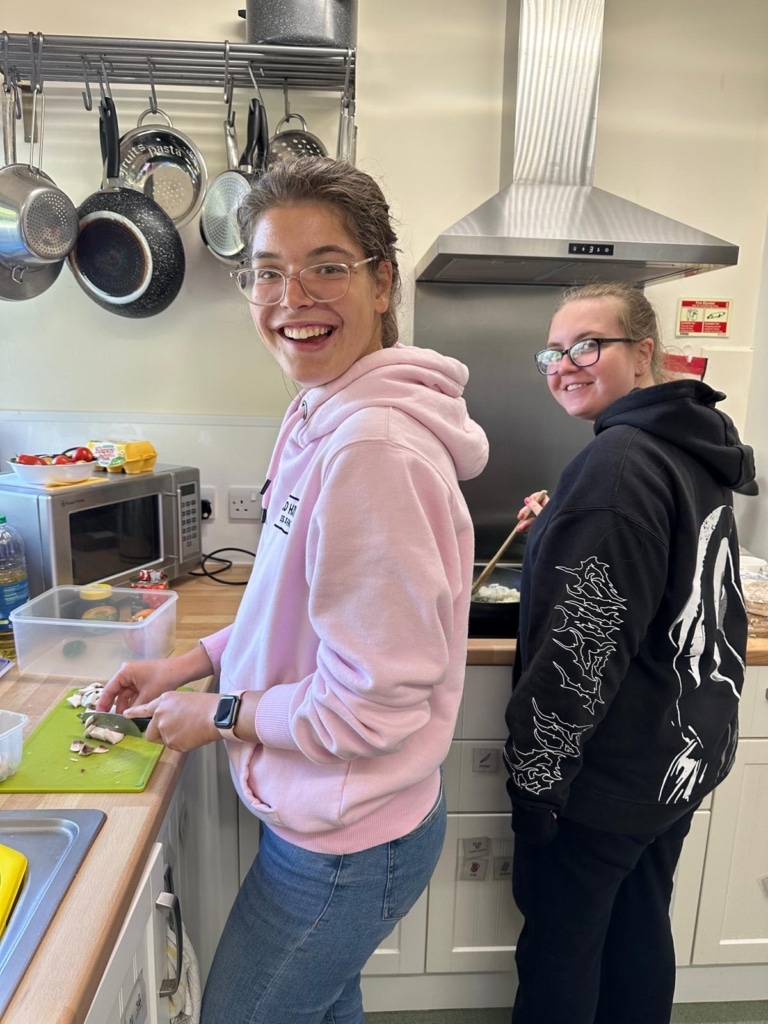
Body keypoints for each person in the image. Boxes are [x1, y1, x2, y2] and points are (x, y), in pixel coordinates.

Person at [96, 155, 488, 1024]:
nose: (291, 296)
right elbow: (288, 614)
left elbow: (371, 706)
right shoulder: (320, 411)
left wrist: (222, 714)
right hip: (339, 815)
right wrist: (192, 662)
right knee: (320, 1004)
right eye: (268, 272)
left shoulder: (370, 450)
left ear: (382, 282)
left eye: (327, 268)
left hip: (348, 841)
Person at [503, 282, 757, 1024]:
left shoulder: (618, 463)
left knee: (561, 953)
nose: (565, 364)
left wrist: (536, 786)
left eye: (589, 345)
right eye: (554, 351)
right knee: (637, 929)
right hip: (677, 756)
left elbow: (580, 654)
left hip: (607, 779)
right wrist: (565, 521)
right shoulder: (683, 444)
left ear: (644, 353)